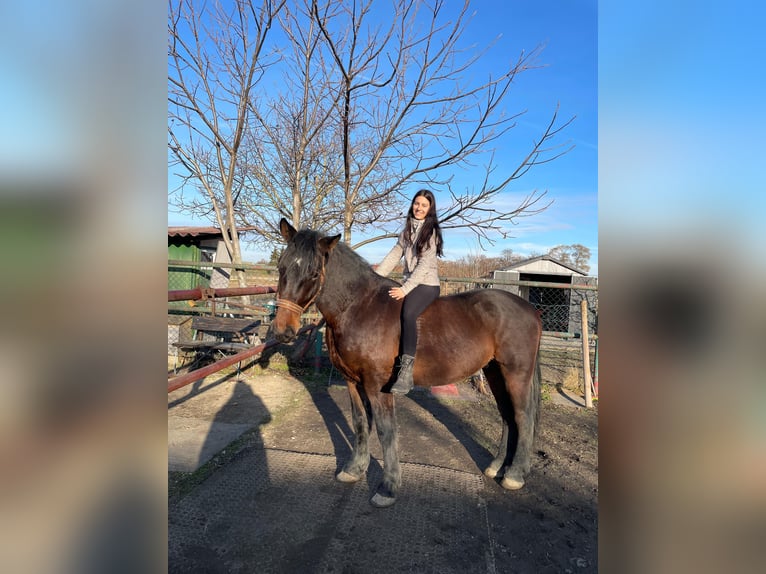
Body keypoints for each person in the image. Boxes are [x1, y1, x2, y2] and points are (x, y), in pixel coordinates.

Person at [375, 189, 444, 394]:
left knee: (408, 313)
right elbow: (393, 256)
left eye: (424, 205)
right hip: (411, 281)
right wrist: (375, 278)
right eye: (416, 203)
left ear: (430, 209)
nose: (419, 208)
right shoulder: (405, 232)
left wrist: (405, 290)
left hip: (427, 284)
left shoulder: (431, 232)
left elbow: (423, 267)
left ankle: (406, 372)